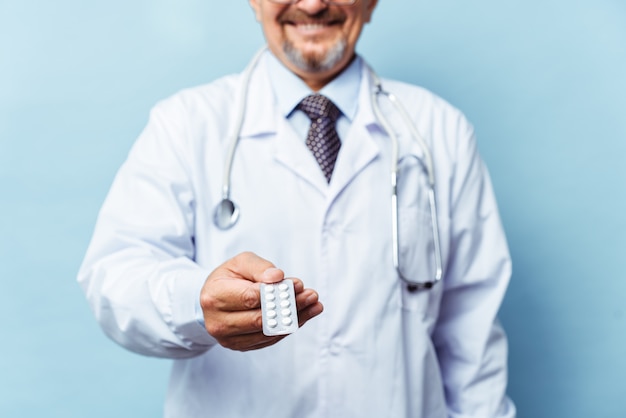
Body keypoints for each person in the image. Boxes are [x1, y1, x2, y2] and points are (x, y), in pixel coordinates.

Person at [78, 0, 516, 416]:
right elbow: (115, 278)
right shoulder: (186, 124)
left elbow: (472, 339)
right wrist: (197, 301)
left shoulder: (440, 130)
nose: (311, 5)